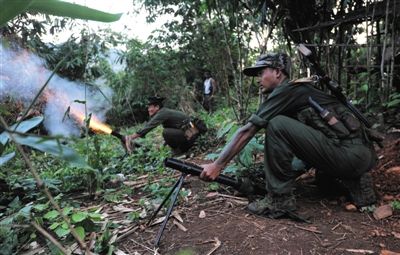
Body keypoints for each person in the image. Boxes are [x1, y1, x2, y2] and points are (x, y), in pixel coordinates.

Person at [200, 52, 377, 219]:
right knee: (320, 180)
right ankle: (350, 181)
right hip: (359, 155)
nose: (258, 80)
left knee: (277, 124)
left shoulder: (287, 91)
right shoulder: (300, 90)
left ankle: (279, 200)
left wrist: (218, 165)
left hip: (348, 155)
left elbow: (247, 130)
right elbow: (309, 144)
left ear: (277, 72)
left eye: (261, 73)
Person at [125, 96, 205, 155]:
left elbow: (149, 126)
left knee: (166, 132)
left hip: (193, 136)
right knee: (167, 131)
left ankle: (181, 151)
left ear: (157, 107)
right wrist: (163, 146)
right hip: (191, 134)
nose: (148, 110)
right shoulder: (164, 112)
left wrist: (130, 137)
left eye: (150, 107)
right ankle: (182, 149)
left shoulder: (162, 113)